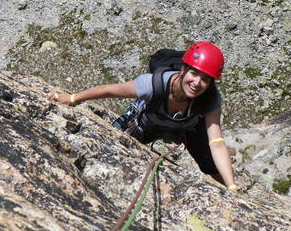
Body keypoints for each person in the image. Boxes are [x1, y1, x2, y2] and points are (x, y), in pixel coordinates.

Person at [48, 41, 237, 192]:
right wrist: (72, 98)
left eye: (205, 79)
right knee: (105, 146)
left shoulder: (210, 99)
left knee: (210, 164)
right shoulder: (152, 84)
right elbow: (110, 90)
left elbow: (217, 142)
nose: (197, 83)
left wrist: (232, 188)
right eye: (194, 74)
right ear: (183, 69)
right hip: (145, 124)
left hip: (185, 128)